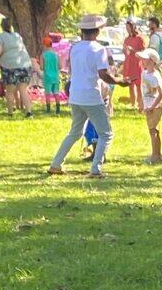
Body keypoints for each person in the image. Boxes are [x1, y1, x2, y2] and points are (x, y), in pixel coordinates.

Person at [49, 14, 116, 178]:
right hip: (91, 95)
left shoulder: (75, 48)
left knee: (75, 132)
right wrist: (120, 82)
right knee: (106, 133)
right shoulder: (99, 49)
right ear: (97, 32)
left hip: (76, 95)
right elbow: (103, 74)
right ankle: (95, 169)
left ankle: (56, 164)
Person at [0, 21, 32, 116]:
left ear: (2, 27)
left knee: (10, 90)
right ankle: (28, 111)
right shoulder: (17, 36)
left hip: (10, 66)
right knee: (23, 90)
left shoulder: (2, 36)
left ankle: (10, 112)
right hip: (24, 64)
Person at [138, 48, 162, 164]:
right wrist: (141, 104)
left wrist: (153, 106)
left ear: (151, 61)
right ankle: (156, 155)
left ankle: (155, 156)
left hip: (156, 106)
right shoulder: (144, 73)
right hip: (148, 105)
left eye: (145, 59)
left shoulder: (155, 75)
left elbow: (161, 94)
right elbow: (142, 90)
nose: (142, 60)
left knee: (154, 130)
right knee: (152, 130)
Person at [121, 19, 147, 108]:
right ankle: (133, 104)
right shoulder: (127, 39)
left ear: (133, 27)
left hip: (137, 64)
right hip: (128, 63)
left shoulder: (139, 38)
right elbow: (125, 51)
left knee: (139, 85)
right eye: (126, 27)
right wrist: (124, 50)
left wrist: (134, 50)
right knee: (130, 85)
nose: (127, 29)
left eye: (128, 27)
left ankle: (140, 104)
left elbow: (143, 52)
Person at [40, 31, 63, 114]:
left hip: (47, 77)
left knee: (48, 94)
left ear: (44, 45)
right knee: (56, 93)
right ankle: (58, 109)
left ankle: (49, 110)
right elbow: (60, 66)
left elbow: (41, 67)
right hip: (56, 76)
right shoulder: (56, 54)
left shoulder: (43, 55)